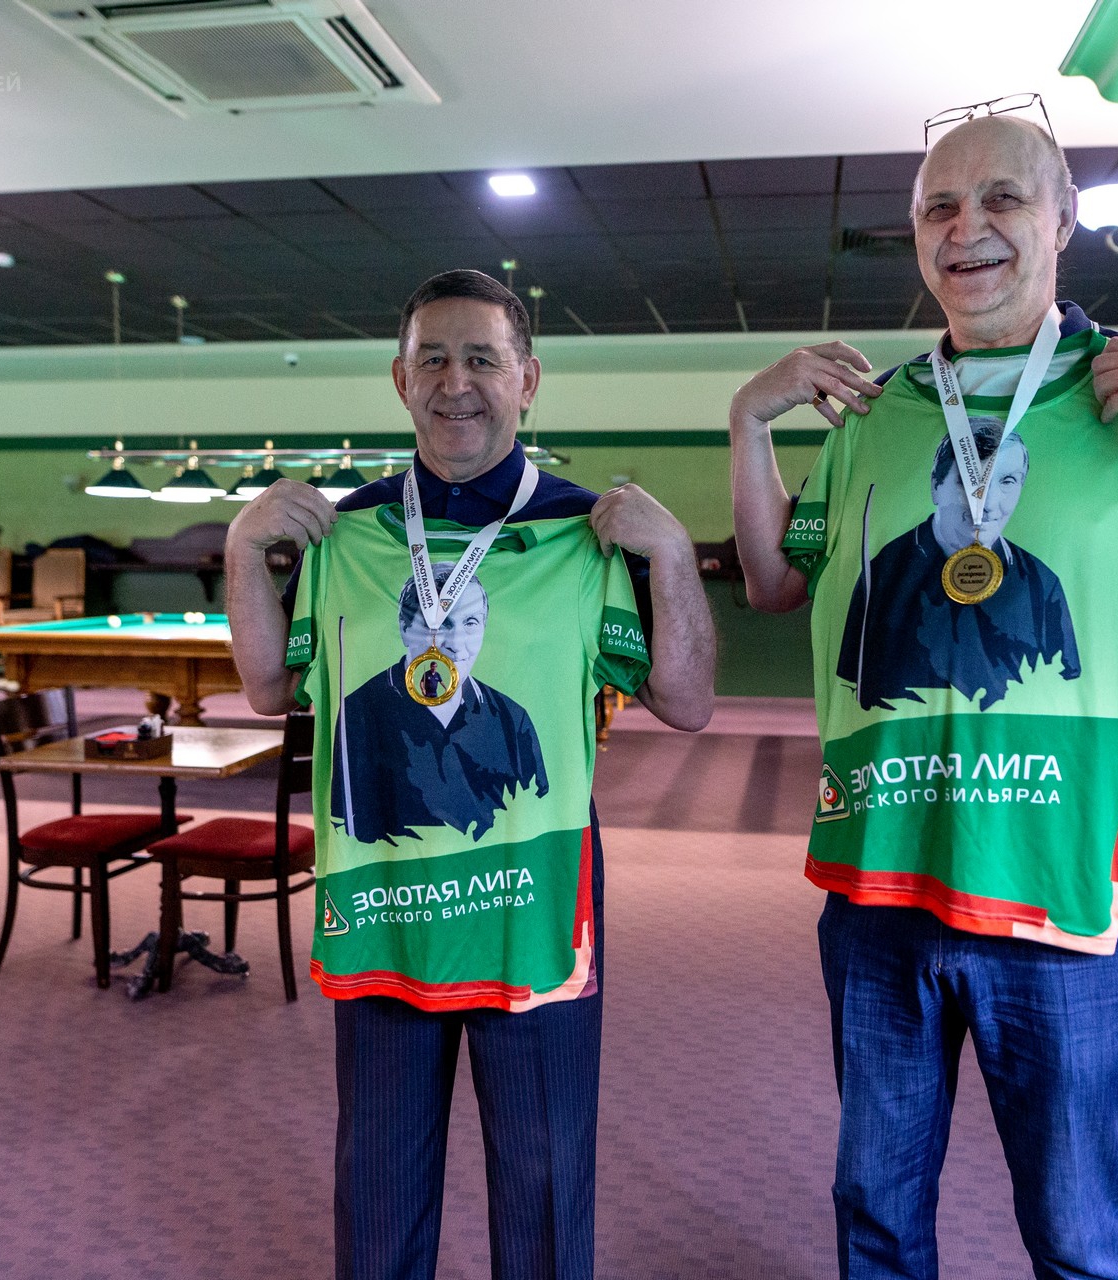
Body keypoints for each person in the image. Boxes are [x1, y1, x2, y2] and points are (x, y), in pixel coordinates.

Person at [729, 109, 1118, 1279]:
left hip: (1064, 887)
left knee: (1075, 1223)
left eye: (1002, 198)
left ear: (1063, 221)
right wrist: (748, 421)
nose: (967, 228)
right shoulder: (875, 414)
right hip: (881, 878)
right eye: (939, 207)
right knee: (874, 1205)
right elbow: (771, 582)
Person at [226, 269, 715, 1280]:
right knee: (378, 1191)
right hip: (385, 911)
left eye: (483, 358)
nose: (457, 383)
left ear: (527, 379)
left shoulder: (583, 533)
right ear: (399, 378)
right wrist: (242, 548)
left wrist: (670, 553)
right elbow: (270, 688)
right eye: (434, 359)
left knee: (545, 1186)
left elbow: (688, 700)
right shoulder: (348, 535)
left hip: (534, 911)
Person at [837, 431, 1078, 711]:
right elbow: (849, 689)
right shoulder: (881, 573)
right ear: (936, 486)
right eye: (967, 480)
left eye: (1007, 481)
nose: (987, 504)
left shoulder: (1043, 582)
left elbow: (1065, 689)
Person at [340, 566, 549, 845]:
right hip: (401, 872)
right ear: (404, 629)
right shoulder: (359, 710)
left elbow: (539, 815)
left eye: (471, 622)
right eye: (438, 624)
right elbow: (343, 826)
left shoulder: (513, 718)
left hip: (490, 871)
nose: (457, 644)